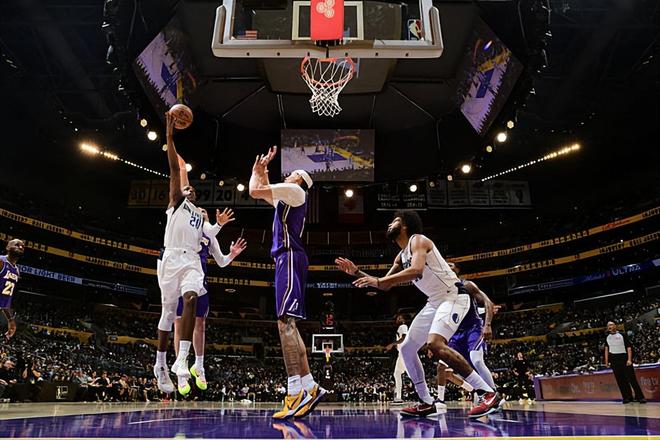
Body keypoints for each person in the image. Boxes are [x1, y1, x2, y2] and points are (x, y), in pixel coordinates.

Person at [335, 210, 500, 418]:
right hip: (435, 301)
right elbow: (384, 285)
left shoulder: (419, 240)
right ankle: (426, 401)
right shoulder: (401, 255)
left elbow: (416, 270)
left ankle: (487, 393)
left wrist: (378, 281)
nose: (390, 224)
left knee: (435, 344)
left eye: (395, 221)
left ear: (405, 225)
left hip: (453, 296)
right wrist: (357, 272)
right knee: (407, 348)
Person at [248, 145, 326, 419]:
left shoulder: (296, 192)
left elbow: (254, 191)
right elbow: (265, 191)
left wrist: (255, 172)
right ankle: (309, 386)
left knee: (285, 323)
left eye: (292, 174)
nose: (288, 175)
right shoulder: (288, 199)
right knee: (289, 324)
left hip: (289, 256)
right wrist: (263, 171)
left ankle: (294, 392)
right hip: (288, 258)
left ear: (300, 179)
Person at [154, 111, 209, 395]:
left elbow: (212, 240)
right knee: (167, 315)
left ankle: (182, 359)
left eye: (191, 188)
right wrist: (169, 136)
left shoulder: (199, 215)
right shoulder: (176, 202)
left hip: (191, 261)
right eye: (185, 187)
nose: (188, 188)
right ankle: (160, 364)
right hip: (171, 258)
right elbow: (176, 171)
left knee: (191, 299)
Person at [173, 208, 247, 392]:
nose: (201, 212)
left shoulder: (210, 235)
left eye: (204, 211)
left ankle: (199, 366)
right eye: (197, 210)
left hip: (200, 281)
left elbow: (221, 262)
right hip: (180, 277)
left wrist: (232, 254)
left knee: (200, 324)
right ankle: (181, 372)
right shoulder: (184, 228)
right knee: (179, 324)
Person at [435, 262, 497, 406]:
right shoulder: (442, 291)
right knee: (444, 366)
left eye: (451, 265)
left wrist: (487, 325)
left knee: (477, 360)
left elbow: (488, 303)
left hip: (473, 328)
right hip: (455, 333)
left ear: (457, 269)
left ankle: (493, 394)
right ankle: (441, 399)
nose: (447, 266)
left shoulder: (467, 285)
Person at [604, 321, 646, 404]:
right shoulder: (607, 337)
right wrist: (606, 361)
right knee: (620, 380)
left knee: (632, 378)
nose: (609, 326)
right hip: (614, 359)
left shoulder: (622, 335)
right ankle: (627, 397)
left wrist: (629, 359)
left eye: (611, 325)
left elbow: (629, 347)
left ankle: (640, 397)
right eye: (608, 325)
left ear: (615, 326)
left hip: (624, 357)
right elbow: (606, 349)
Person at [0, 239, 25, 339]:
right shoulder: (1, 261)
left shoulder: (16, 271)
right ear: (8, 247)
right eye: (17, 244)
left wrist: (10, 320)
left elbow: (4, 299)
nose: (21, 247)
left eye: (23, 246)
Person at [386, 313, 409, 404]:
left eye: (399, 318)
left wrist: (393, 344)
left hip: (404, 352)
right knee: (397, 373)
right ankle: (398, 397)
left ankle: (423, 395)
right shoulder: (401, 327)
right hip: (402, 353)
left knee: (410, 374)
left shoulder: (403, 326)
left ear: (403, 319)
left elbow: (404, 338)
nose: (397, 319)